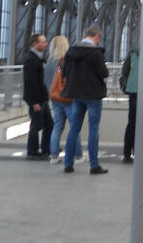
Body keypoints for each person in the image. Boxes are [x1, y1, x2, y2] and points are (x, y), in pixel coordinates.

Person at [62, 25, 109, 175]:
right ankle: (94, 165)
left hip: (76, 94)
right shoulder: (95, 53)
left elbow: (65, 72)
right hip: (93, 94)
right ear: (97, 37)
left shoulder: (71, 51)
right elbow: (103, 73)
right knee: (93, 129)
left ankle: (68, 164)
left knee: (74, 129)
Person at [44, 35, 81, 164]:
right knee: (74, 126)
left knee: (57, 126)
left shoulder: (48, 64)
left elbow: (46, 83)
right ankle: (78, 155)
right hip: (68, 99)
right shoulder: (67, 61)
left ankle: (54, 155)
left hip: (54, 99)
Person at [22, 33, 53, 159]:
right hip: (36, 100)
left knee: (49, 124)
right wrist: (34, 102)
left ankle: (46, 148)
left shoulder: (39, 58)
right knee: (36, 125)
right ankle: (32, 150)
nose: (46, 44)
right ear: (35, 44)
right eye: (43, 42)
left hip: (42, 98)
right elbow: (31, 82)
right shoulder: (31, 60)